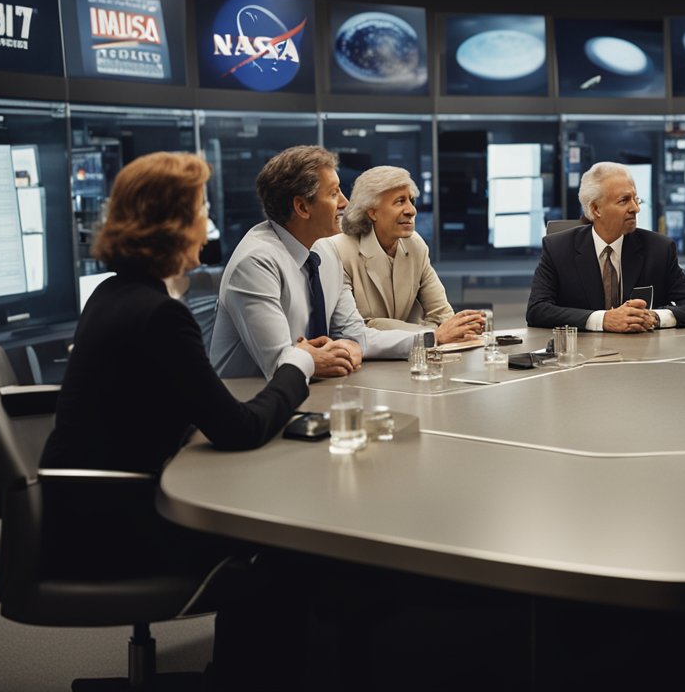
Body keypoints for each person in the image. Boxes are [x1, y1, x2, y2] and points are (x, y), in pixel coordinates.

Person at [38, 152, 316, 688]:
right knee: (286, 554)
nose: (207, 224)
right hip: (117, 525)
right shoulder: (160, 316)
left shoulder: (113, 294)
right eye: (201, 209)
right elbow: (238, 429)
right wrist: (296, 365)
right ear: (174, 223)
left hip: (78, 512)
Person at [210, 146, 412, 379]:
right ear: (302, 207)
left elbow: (357, 337)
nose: (345, 203)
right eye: (334, 193)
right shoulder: (255, 263)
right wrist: (346, 350)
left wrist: (432, 338)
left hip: (310, 393)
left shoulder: (324, 250)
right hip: (249, 403)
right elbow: (281, 364)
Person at [525, 161, 685, 331]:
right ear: (596, 209)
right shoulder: (558, 248)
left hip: (643, 358)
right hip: (582, 357)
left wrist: (654, 316)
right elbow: (537, 310)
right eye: (624, 201)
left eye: (635, 199)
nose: (635, 208)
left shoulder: (659, 249)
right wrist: (603, 320)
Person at [332, 165, 484, 343]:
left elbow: (443, 316)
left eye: (411, 200)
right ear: (372, 212)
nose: (411, 210)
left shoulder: (415, 245)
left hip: (415, 360)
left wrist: (441, 331)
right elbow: (358, 330)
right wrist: (432, 334)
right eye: (399, 201)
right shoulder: (340, 251)